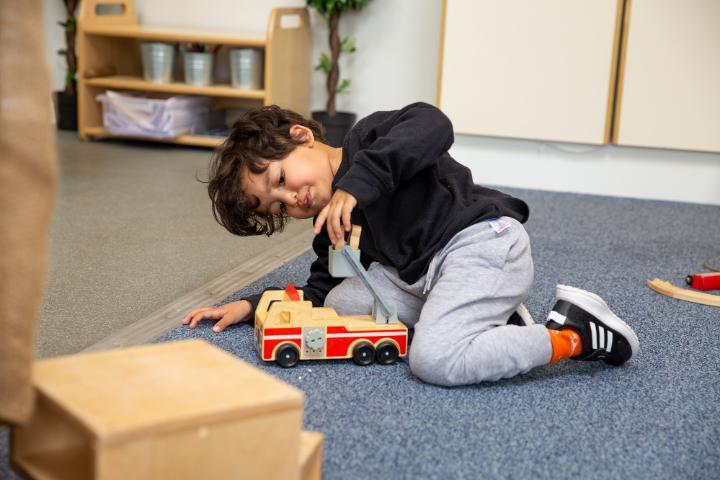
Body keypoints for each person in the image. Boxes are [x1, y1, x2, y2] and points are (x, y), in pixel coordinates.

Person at [182, 102, 639, 386]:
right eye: (277, 207)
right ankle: (484, 321)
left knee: (434, 363)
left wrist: (358, 185)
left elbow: (433, 124)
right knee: (342, 302)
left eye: (281, 179)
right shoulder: (329, 222)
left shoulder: (369, 140)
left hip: (480, 244)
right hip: (421, 277)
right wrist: (253, 306)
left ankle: (575, 335)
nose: (291, 199)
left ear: (302, 137)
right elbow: (319, 291)